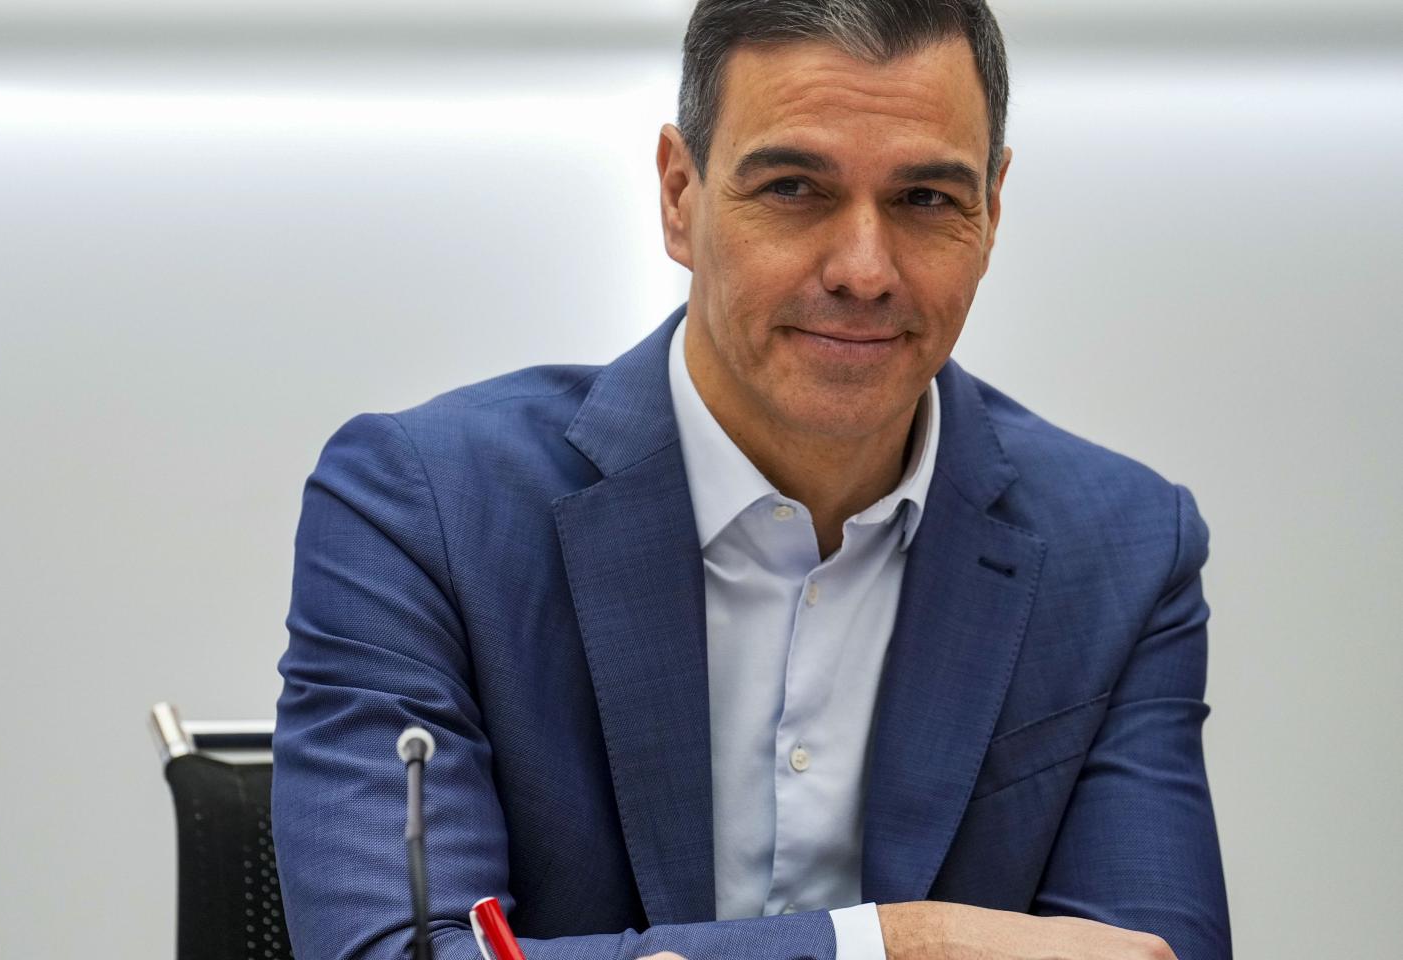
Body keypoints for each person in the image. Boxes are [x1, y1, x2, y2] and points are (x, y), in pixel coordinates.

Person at [272, 1, 1231, 958]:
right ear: (679, 196)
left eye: (926, 199)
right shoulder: (424, 509)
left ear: (992, 212)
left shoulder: (1123, 548)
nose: (864, 271)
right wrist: (897, 946)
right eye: (793, 187)